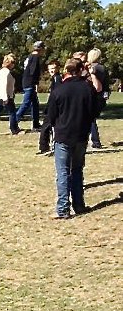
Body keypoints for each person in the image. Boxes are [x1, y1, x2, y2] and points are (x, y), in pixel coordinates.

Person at [44, 56, 104, 218]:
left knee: (63, 172)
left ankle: (63, 208)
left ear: (66, 71)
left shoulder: (58, 90)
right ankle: (79, 204)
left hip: (63, 135)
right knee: (77, 170)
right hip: (81, 135)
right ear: (80, 70)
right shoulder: (87, 89)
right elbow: (95, 111)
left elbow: (51, 115)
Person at [15, 41, 45, 130]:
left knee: (35, 104)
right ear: (40, 48)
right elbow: (33, 72)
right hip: (30, 83)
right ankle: (14, 121)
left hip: (26, 82)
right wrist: (35, 84)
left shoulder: (30, 57)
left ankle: (36, 124)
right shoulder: (35, 57)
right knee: (26, 103)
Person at [85, 48, 109, 149]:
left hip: (94, 96)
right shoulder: (102, 68)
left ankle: (95, 141)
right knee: (91, 118)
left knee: (90, 118)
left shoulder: (93, 69)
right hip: (101, 96)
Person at [37, 60, 62, 155]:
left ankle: (44, 147)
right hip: (51, 106)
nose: (52, 70)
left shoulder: (57, 79)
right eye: (50, 68)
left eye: (54, 68)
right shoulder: (54, 78)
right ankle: (44, 146)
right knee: (46, 126)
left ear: (58, 68)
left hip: (54, 107)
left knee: (47, 126)